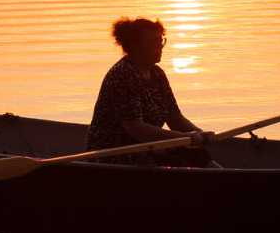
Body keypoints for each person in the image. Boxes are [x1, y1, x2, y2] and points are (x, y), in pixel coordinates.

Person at [87, 17, 213, 165]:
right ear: (135, 46)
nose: (160, 47)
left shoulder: (157, 74)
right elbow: (136, 128)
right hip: (117, 152)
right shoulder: (123, 75)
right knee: (185, 154)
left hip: (147, 147)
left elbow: (174, 118)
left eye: (161, 41)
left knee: (196, 153)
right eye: (153, 43)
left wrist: (199, 134)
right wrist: (183, 138)